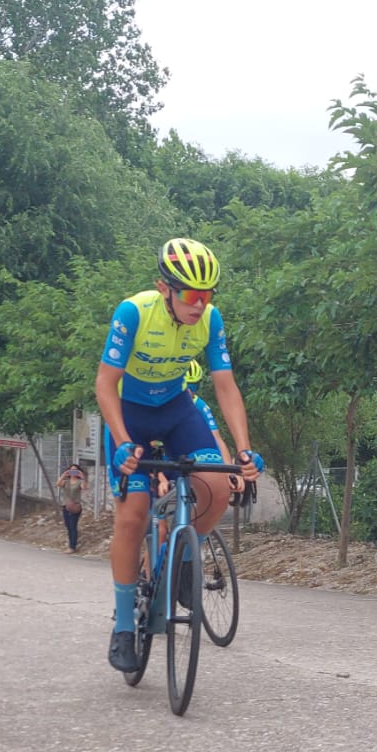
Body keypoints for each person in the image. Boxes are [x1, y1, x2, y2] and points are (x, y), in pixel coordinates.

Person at [95, 237, 263, 672]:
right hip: (130, 414)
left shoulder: (209, 320)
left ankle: (184, 559)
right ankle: (124, 627)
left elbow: (225, 386)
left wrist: (243, 450)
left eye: (207, 296)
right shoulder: (133, 312)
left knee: (216, 488)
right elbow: (104, 384)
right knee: (133, 514)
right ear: (164, 287)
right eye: (190, 294)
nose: (199, 304)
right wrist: (121, 439)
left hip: (175, 411)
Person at [55, 464, 86, 553]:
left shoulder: (79, 482)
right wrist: (63, 476)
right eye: (71, 470)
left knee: (73, 526)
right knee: (68, 526)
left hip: (75, 506)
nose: (73, 472)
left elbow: (84, 487)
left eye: (75, 470)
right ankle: (71, 544)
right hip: (66, 505)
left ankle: (72, 546)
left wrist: (82, 477)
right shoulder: (66, 481)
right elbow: (58, 484)